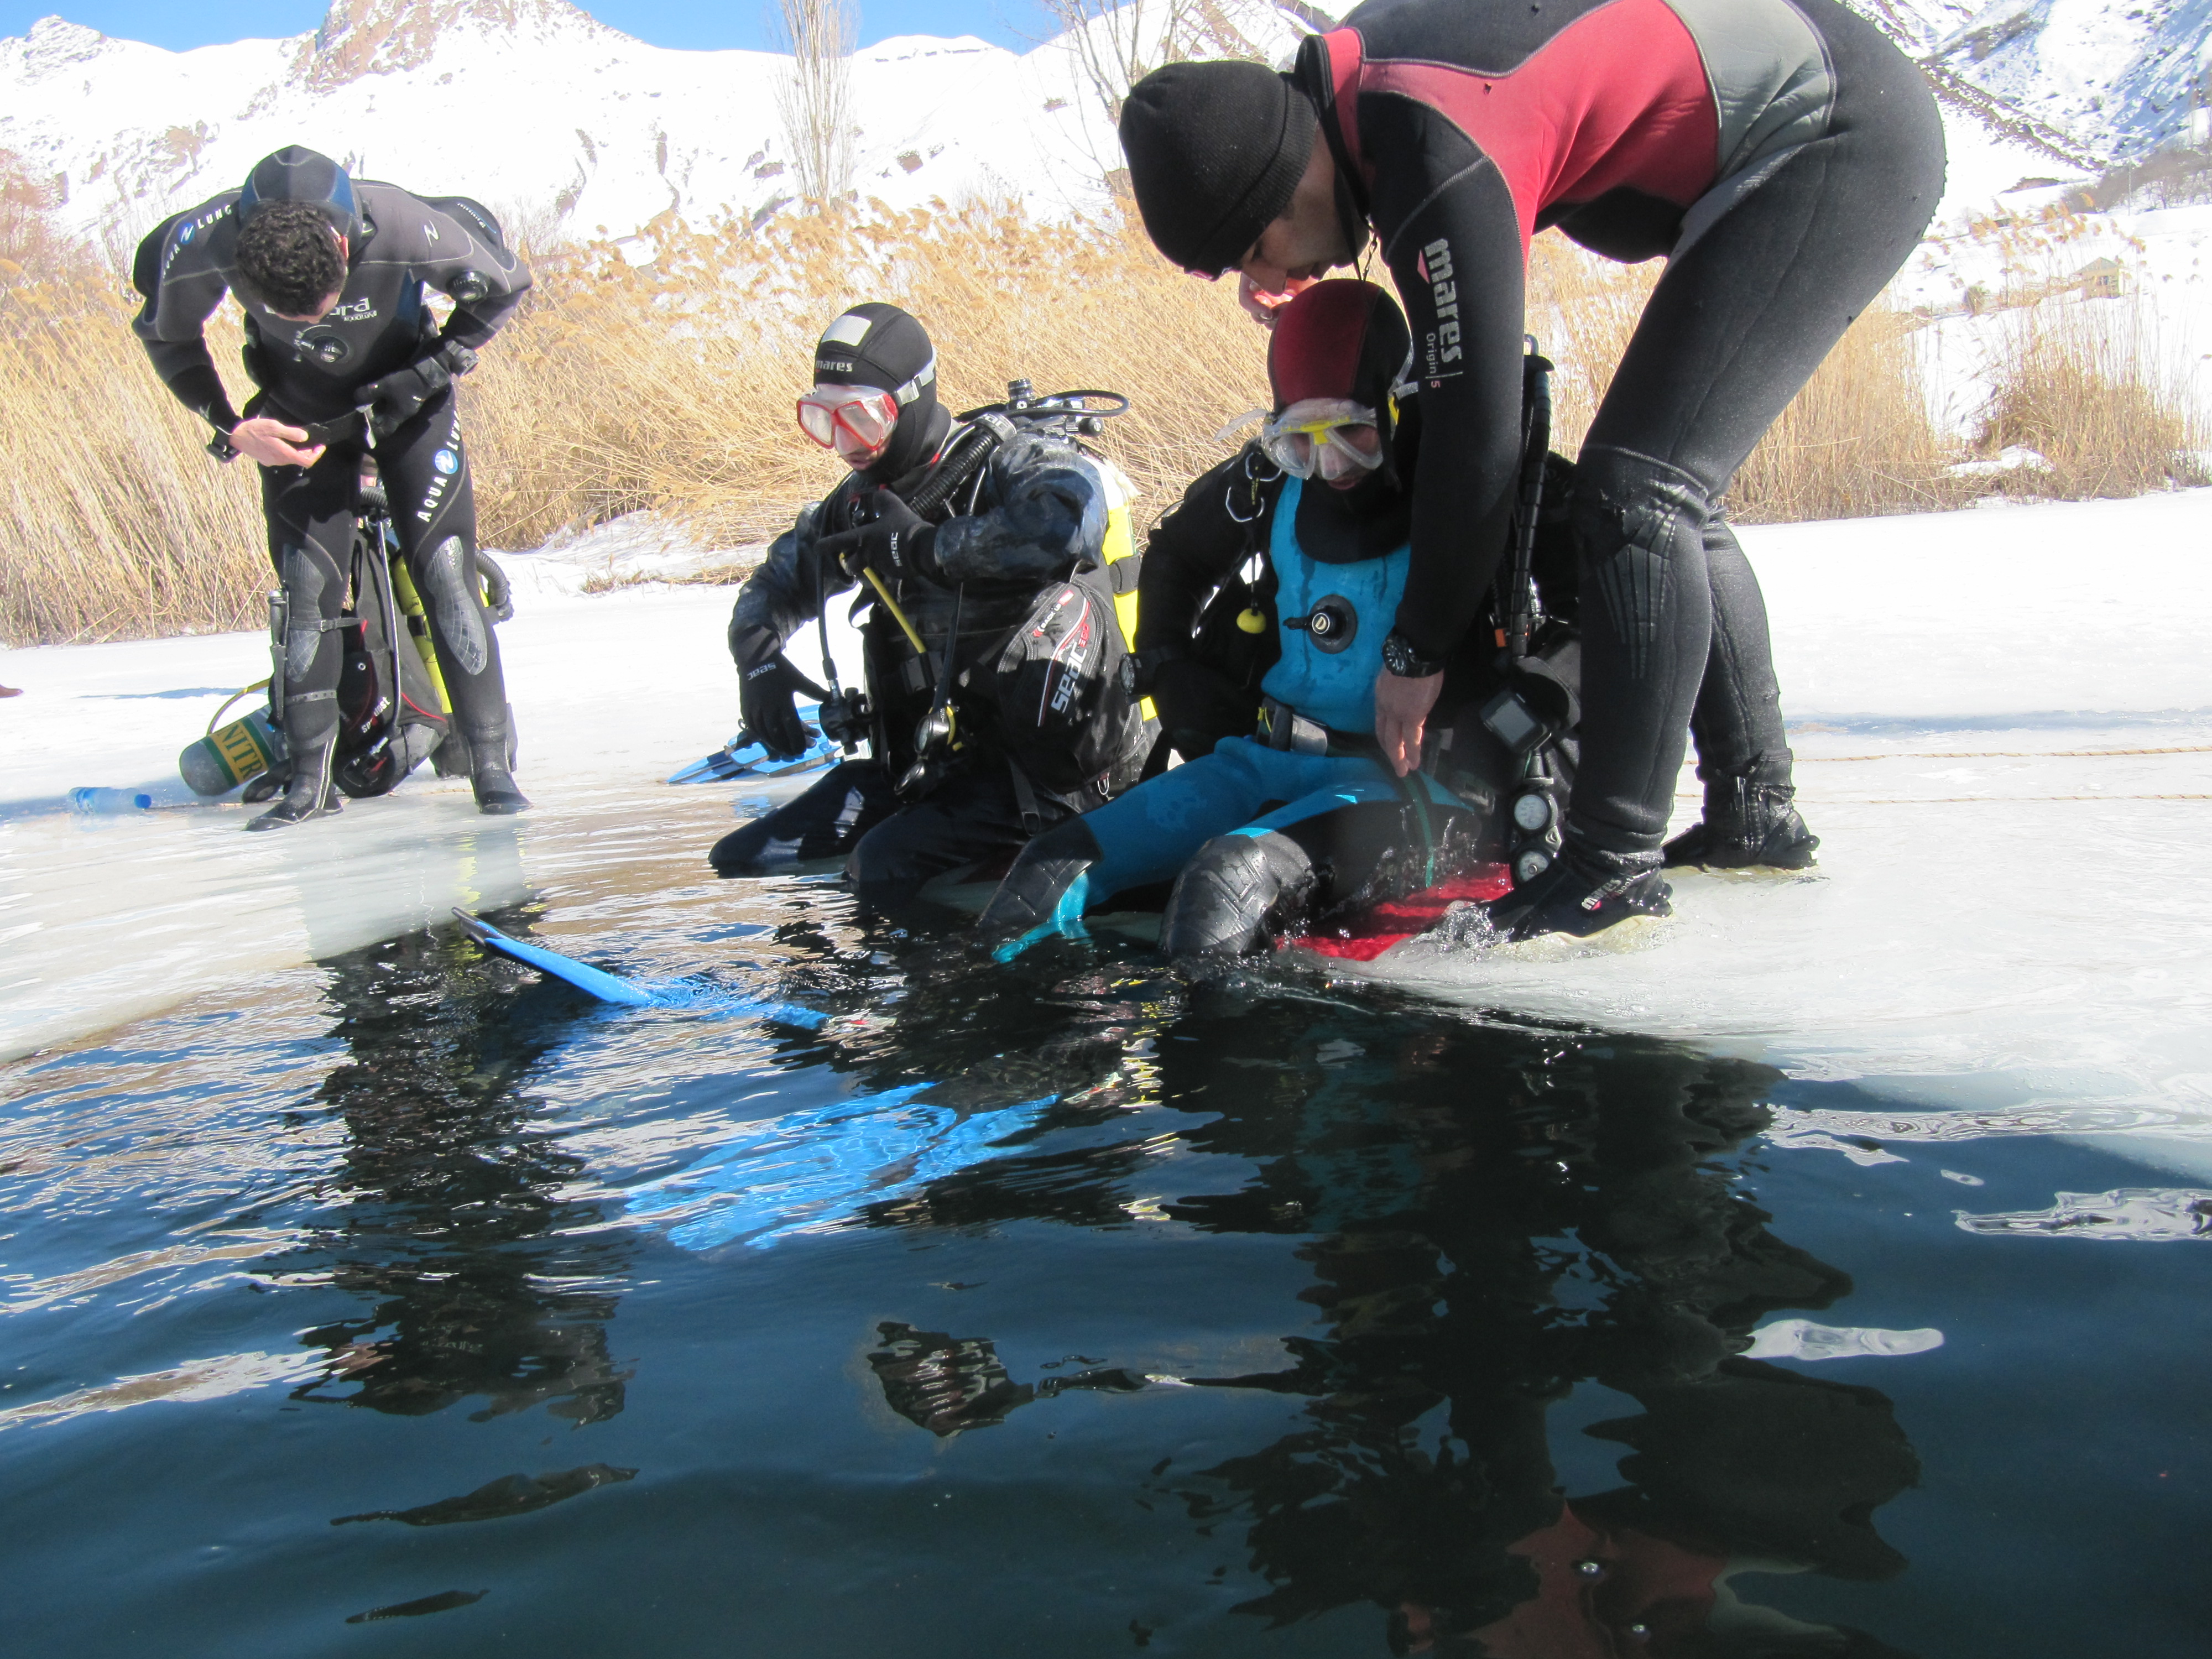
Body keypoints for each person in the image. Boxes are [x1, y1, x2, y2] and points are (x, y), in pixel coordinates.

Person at [1117, 0, 1943, 936]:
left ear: (1285, 173)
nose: (1272, 278)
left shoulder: (1423, 139)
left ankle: (1610, 862)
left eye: (1260, 246)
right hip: (1797, 131)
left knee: (1640, 494)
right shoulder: (1366, 99)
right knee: (1667, 491)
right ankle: (1753, 811)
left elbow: (1481, 434)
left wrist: (1416, 652)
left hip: (1834, 130)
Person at [979, 279, 1571, 960]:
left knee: (1224, 888)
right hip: (1266, 762)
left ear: (1398, 403)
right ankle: (1027, 1066)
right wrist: (1167, 663)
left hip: (1419, 791)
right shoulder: (1267, 482)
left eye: (1353, 433)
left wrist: (1525, 709)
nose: (1330, 466)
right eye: (1303, 442)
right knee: (1046, 871)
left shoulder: (1478, 485)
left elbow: (1598, 609)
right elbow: (1175, 555)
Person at [132, 145, 531, 828]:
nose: (309, 323)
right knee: (306, 591)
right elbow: (168, 337)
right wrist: (233, 428)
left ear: (344, 246)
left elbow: (508, 285)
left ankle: (491, 769)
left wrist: (429, 373)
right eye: (289, 317)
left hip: (409, 401)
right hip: (297, 414)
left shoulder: (402, 225)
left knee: (445, 574)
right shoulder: (207, 241)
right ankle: (310, 783)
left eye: (321, 307)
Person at [712, 303, 1149, 912]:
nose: (844, 445)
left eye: (860, 419)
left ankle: (950, 998)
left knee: (882, 864)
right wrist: (756, 657)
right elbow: (776, 582)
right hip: (933, 767)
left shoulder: (1005, 462)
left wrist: (927, 547)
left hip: (1049, 779)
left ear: (910, 399)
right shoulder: (859, 503)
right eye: (824, 420)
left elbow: (1066, 523)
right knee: (742, 858)